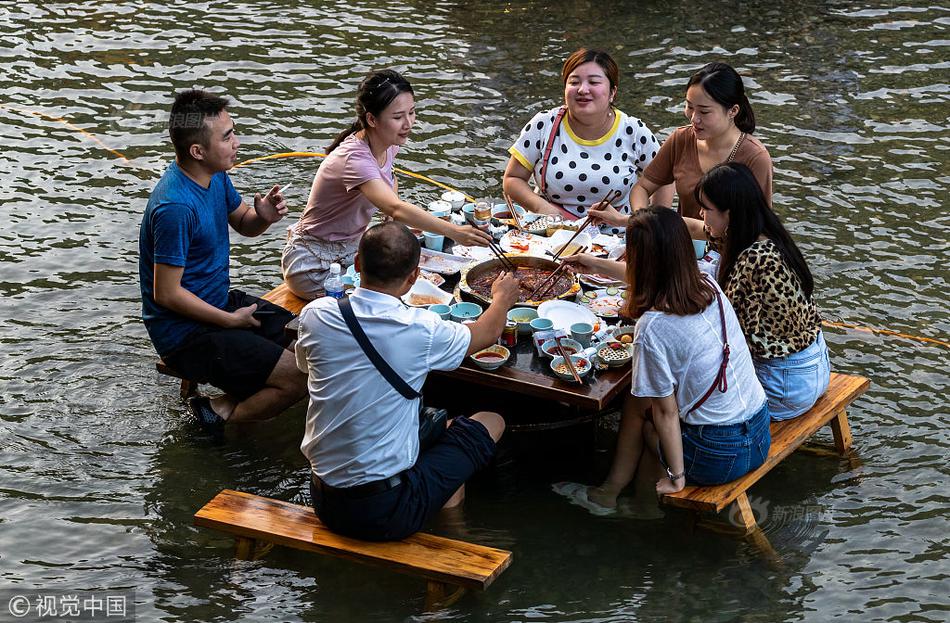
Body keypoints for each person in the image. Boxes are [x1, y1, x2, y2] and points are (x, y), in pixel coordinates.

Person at [296, 222, 520, 540]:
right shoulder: (421, 328)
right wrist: (501, 299)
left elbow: (307, 368)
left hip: (324, 497)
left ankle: (442, 514)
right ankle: (454, 538)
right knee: (490, 421)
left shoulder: (316, 314)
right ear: (414, 277)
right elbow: (486, 334)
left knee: (441, 431)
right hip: (385, 512)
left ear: (357, 264)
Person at [554, 207, 770, 514]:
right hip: (759, 434)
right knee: (637, 400)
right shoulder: (707, 284)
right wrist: (593, 264)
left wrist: (677, 479)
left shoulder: (652, 327)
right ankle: (611, 493)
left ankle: (640, 510)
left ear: (638, 258)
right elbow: (651, 278)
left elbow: (666, 413)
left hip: (720, 455)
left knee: (651, 428)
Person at [139, 89, 307, 429]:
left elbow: (244, 222)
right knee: (298, 378)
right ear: (197, 151)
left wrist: (263, 217)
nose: (237, 143)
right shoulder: (175, 207)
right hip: (185, 334)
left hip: (218, 303)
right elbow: (166, 293)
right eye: (227, 137)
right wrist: (228, 321)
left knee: (313, 341)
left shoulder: (214, 175)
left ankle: (222, 404)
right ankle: (217, 423)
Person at [282, 69, 491, 300]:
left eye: (411, 112)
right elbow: (396, 207)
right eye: (398, 117)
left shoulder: (387, 143)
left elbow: (390, 180)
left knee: (413, 280)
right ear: (372, 119)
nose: (408, 123)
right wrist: (454, 231)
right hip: (314, 265)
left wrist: (389, 218)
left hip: (351, 253)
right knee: (392, 296)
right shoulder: (355, 159)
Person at [696, 163, 830, 420]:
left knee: (682, 403)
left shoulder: (755, 258)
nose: (701, 214)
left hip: (785, 386)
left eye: (706, 208)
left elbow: (728, 332)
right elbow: (698, 229)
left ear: (729, 213)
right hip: (813, 366)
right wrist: (627, 220)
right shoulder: (764, 234)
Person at [588, 61, 772, 234]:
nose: (694, 118)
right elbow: (642, 187)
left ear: (733, 111)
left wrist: (647, 222)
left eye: (704, 111)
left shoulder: (755, 157)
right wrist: (641, 219)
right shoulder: (681, 139)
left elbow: (757, 229)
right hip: (682, 246)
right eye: (689, 107)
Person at [502, 48, 671, 235]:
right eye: (574, 82)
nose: (583, 90)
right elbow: (513, 179)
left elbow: (664, 179)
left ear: (612, 92)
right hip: (552, 232)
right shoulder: (544, 124)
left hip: (617, 236)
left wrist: (652, 226)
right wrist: (542, 207)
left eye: (594, 82)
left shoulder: (633, 131)